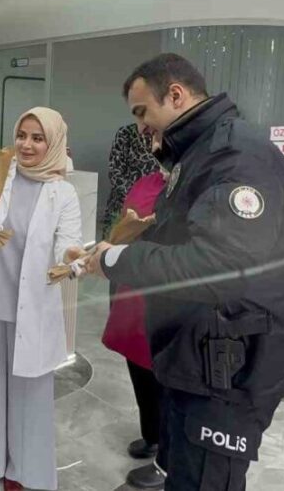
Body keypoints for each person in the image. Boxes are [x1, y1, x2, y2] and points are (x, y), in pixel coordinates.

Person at [84, 53, 284, 491]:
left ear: (177, 95)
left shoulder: (236, 156)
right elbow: (182, 243)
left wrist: (116, 260)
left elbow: (220, 266)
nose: (140, 127)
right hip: (199, 359)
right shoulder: (200, 155)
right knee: (183, 475)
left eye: (142, 112)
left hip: (226, 371)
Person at [0, 107, 85, 491]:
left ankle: (24, 469)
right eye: (22, 135)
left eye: (38, 137)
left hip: (32, 307)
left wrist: (72, 260)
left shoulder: (63, 193)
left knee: (30, 392)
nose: (27, 145)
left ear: (54, 142)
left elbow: (68, 243)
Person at [100, 127, 166, 489]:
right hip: (132, 285)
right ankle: (152, 434)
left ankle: (168, 458)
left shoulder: (194, 192)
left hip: (169, 292)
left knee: (167, 371)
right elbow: (121, 227)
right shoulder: (147, 182)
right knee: (138, 360)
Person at [102, 122, 161, 236]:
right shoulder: (125, 133)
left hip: (154, 208)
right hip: (123, 205)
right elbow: (115, 171)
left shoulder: (163, 134)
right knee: (113, 246)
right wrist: (135, 198)